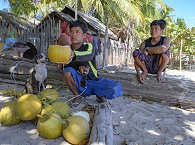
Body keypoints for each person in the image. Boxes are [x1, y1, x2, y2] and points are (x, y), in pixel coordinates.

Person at [62, 20, 123, 105]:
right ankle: (77, 96)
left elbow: (87, 56)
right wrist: (77, 67)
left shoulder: (89, 46)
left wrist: (75, 56)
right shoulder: (66, 50)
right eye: (72, 32)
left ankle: (99, 93)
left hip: (93, 81)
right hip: (79, 83)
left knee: (116, 88)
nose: (74, 35)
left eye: (77, 32)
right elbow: (64, 66)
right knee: (67, 72)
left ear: (83, 35)